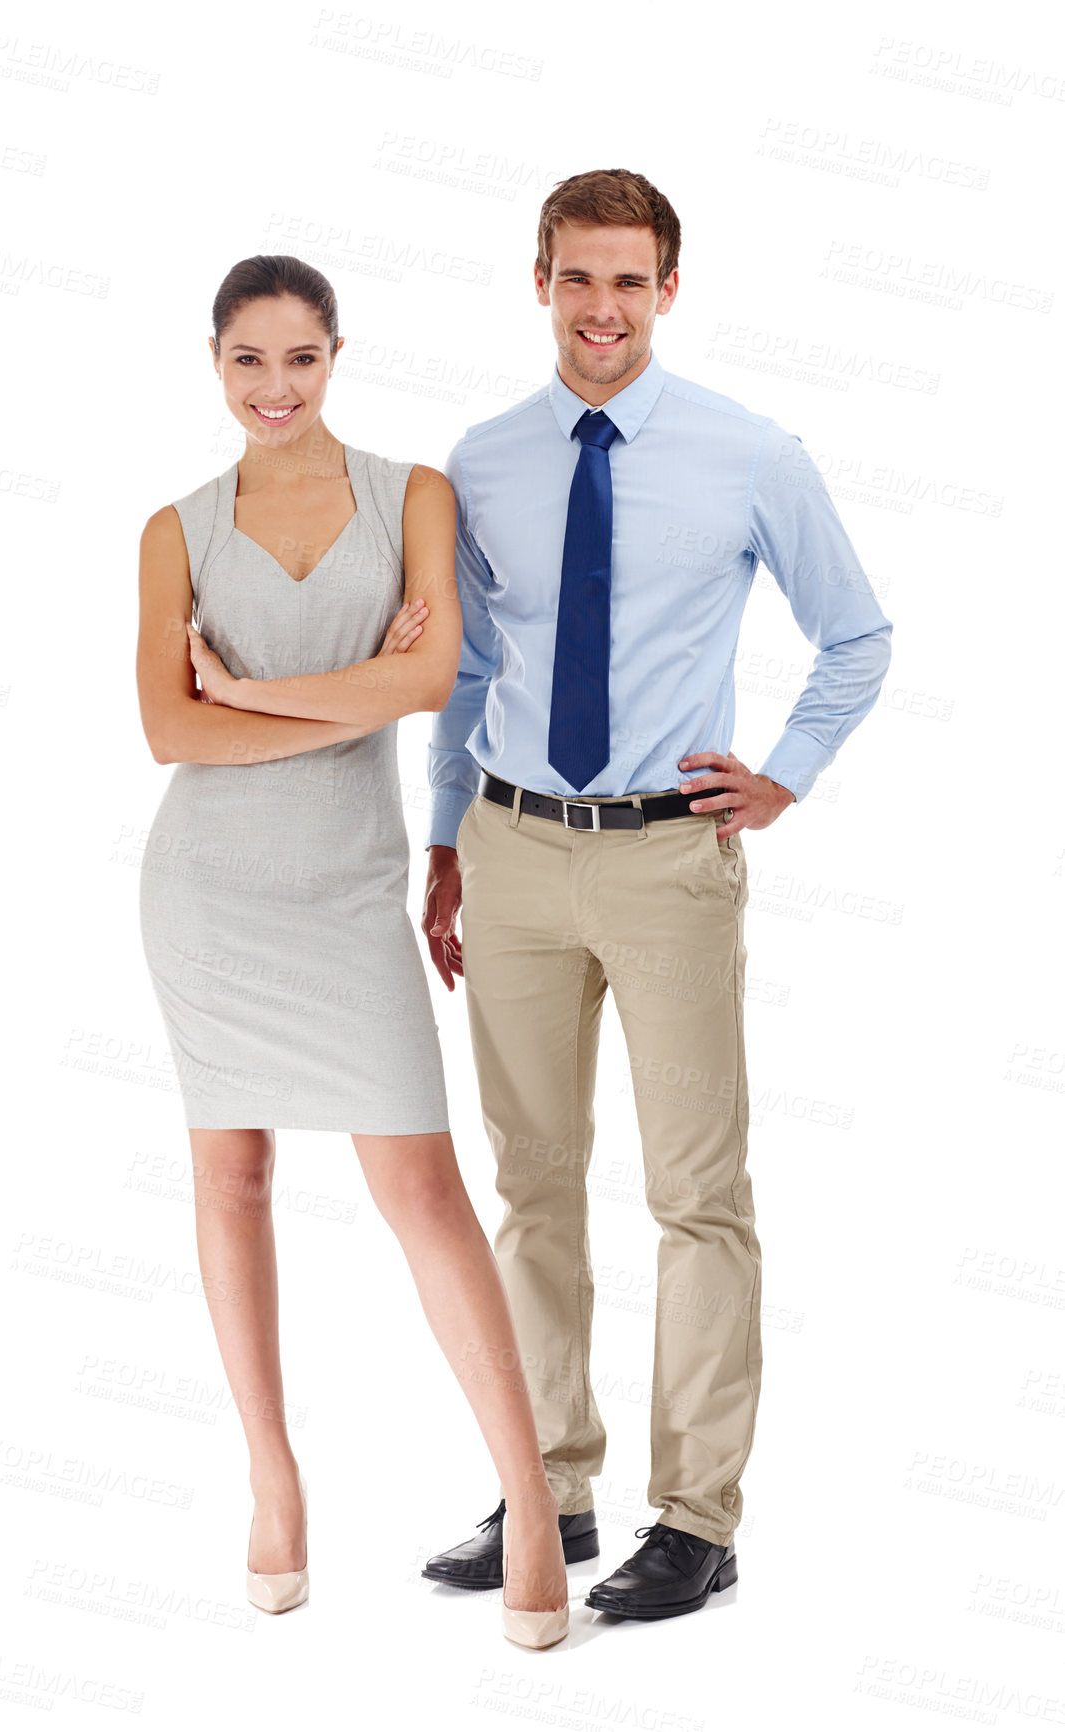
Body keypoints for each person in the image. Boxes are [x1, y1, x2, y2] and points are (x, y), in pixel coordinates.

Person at [419, 168, 894, 1621]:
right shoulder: (482, 460)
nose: (602, 308)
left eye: (628, 281)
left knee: (696, 1196)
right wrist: (442, 841)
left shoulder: (750, 453)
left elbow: (855, 638)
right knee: (530, 1186)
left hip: (667, 860)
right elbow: (472, 669)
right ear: (541, 282)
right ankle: (546, 1486)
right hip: (507, 853)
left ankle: (695, 1520)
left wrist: (783, 774)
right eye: (577, 278)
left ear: (667, 290)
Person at [134, 255, 568, 1647]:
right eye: (249, 361)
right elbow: (170, 733)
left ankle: (530, 1496)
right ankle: (273, 1480)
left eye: (301, 359)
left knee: (421, 1188)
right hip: (208, 891)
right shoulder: (176, 529)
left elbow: (431, 679)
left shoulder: (410, 495)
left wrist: (252, 689)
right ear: (216, 364)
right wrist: (338, 696)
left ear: (336, 356)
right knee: (233, 1172)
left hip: (348, 886)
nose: (276, 387)